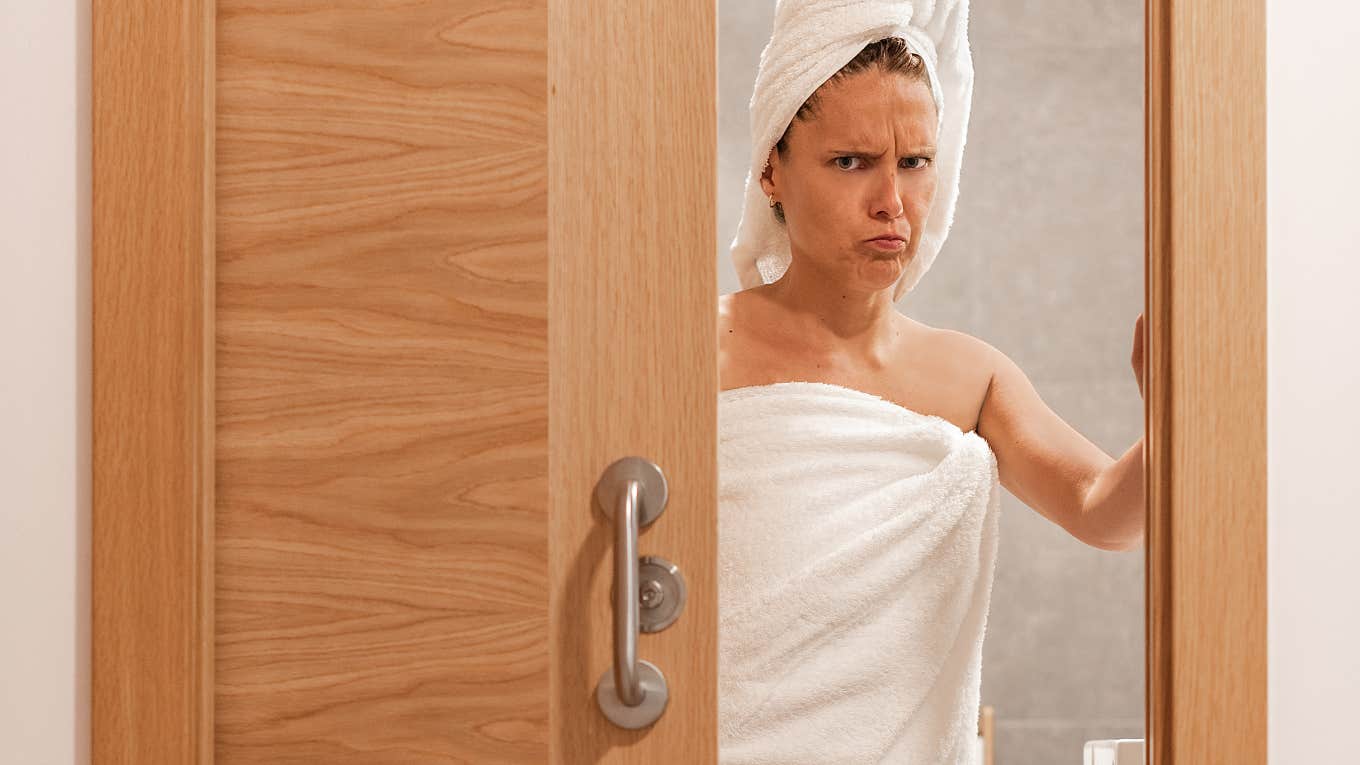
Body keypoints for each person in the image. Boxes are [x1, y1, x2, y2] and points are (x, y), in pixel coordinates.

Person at [716, 34, 1146, 765]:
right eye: (850, 162)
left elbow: (1108, 511)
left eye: (914, 163)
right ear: (771, 172)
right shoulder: (692, 351)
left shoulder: (970, 377)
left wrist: (1179, 408)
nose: (892, 202)